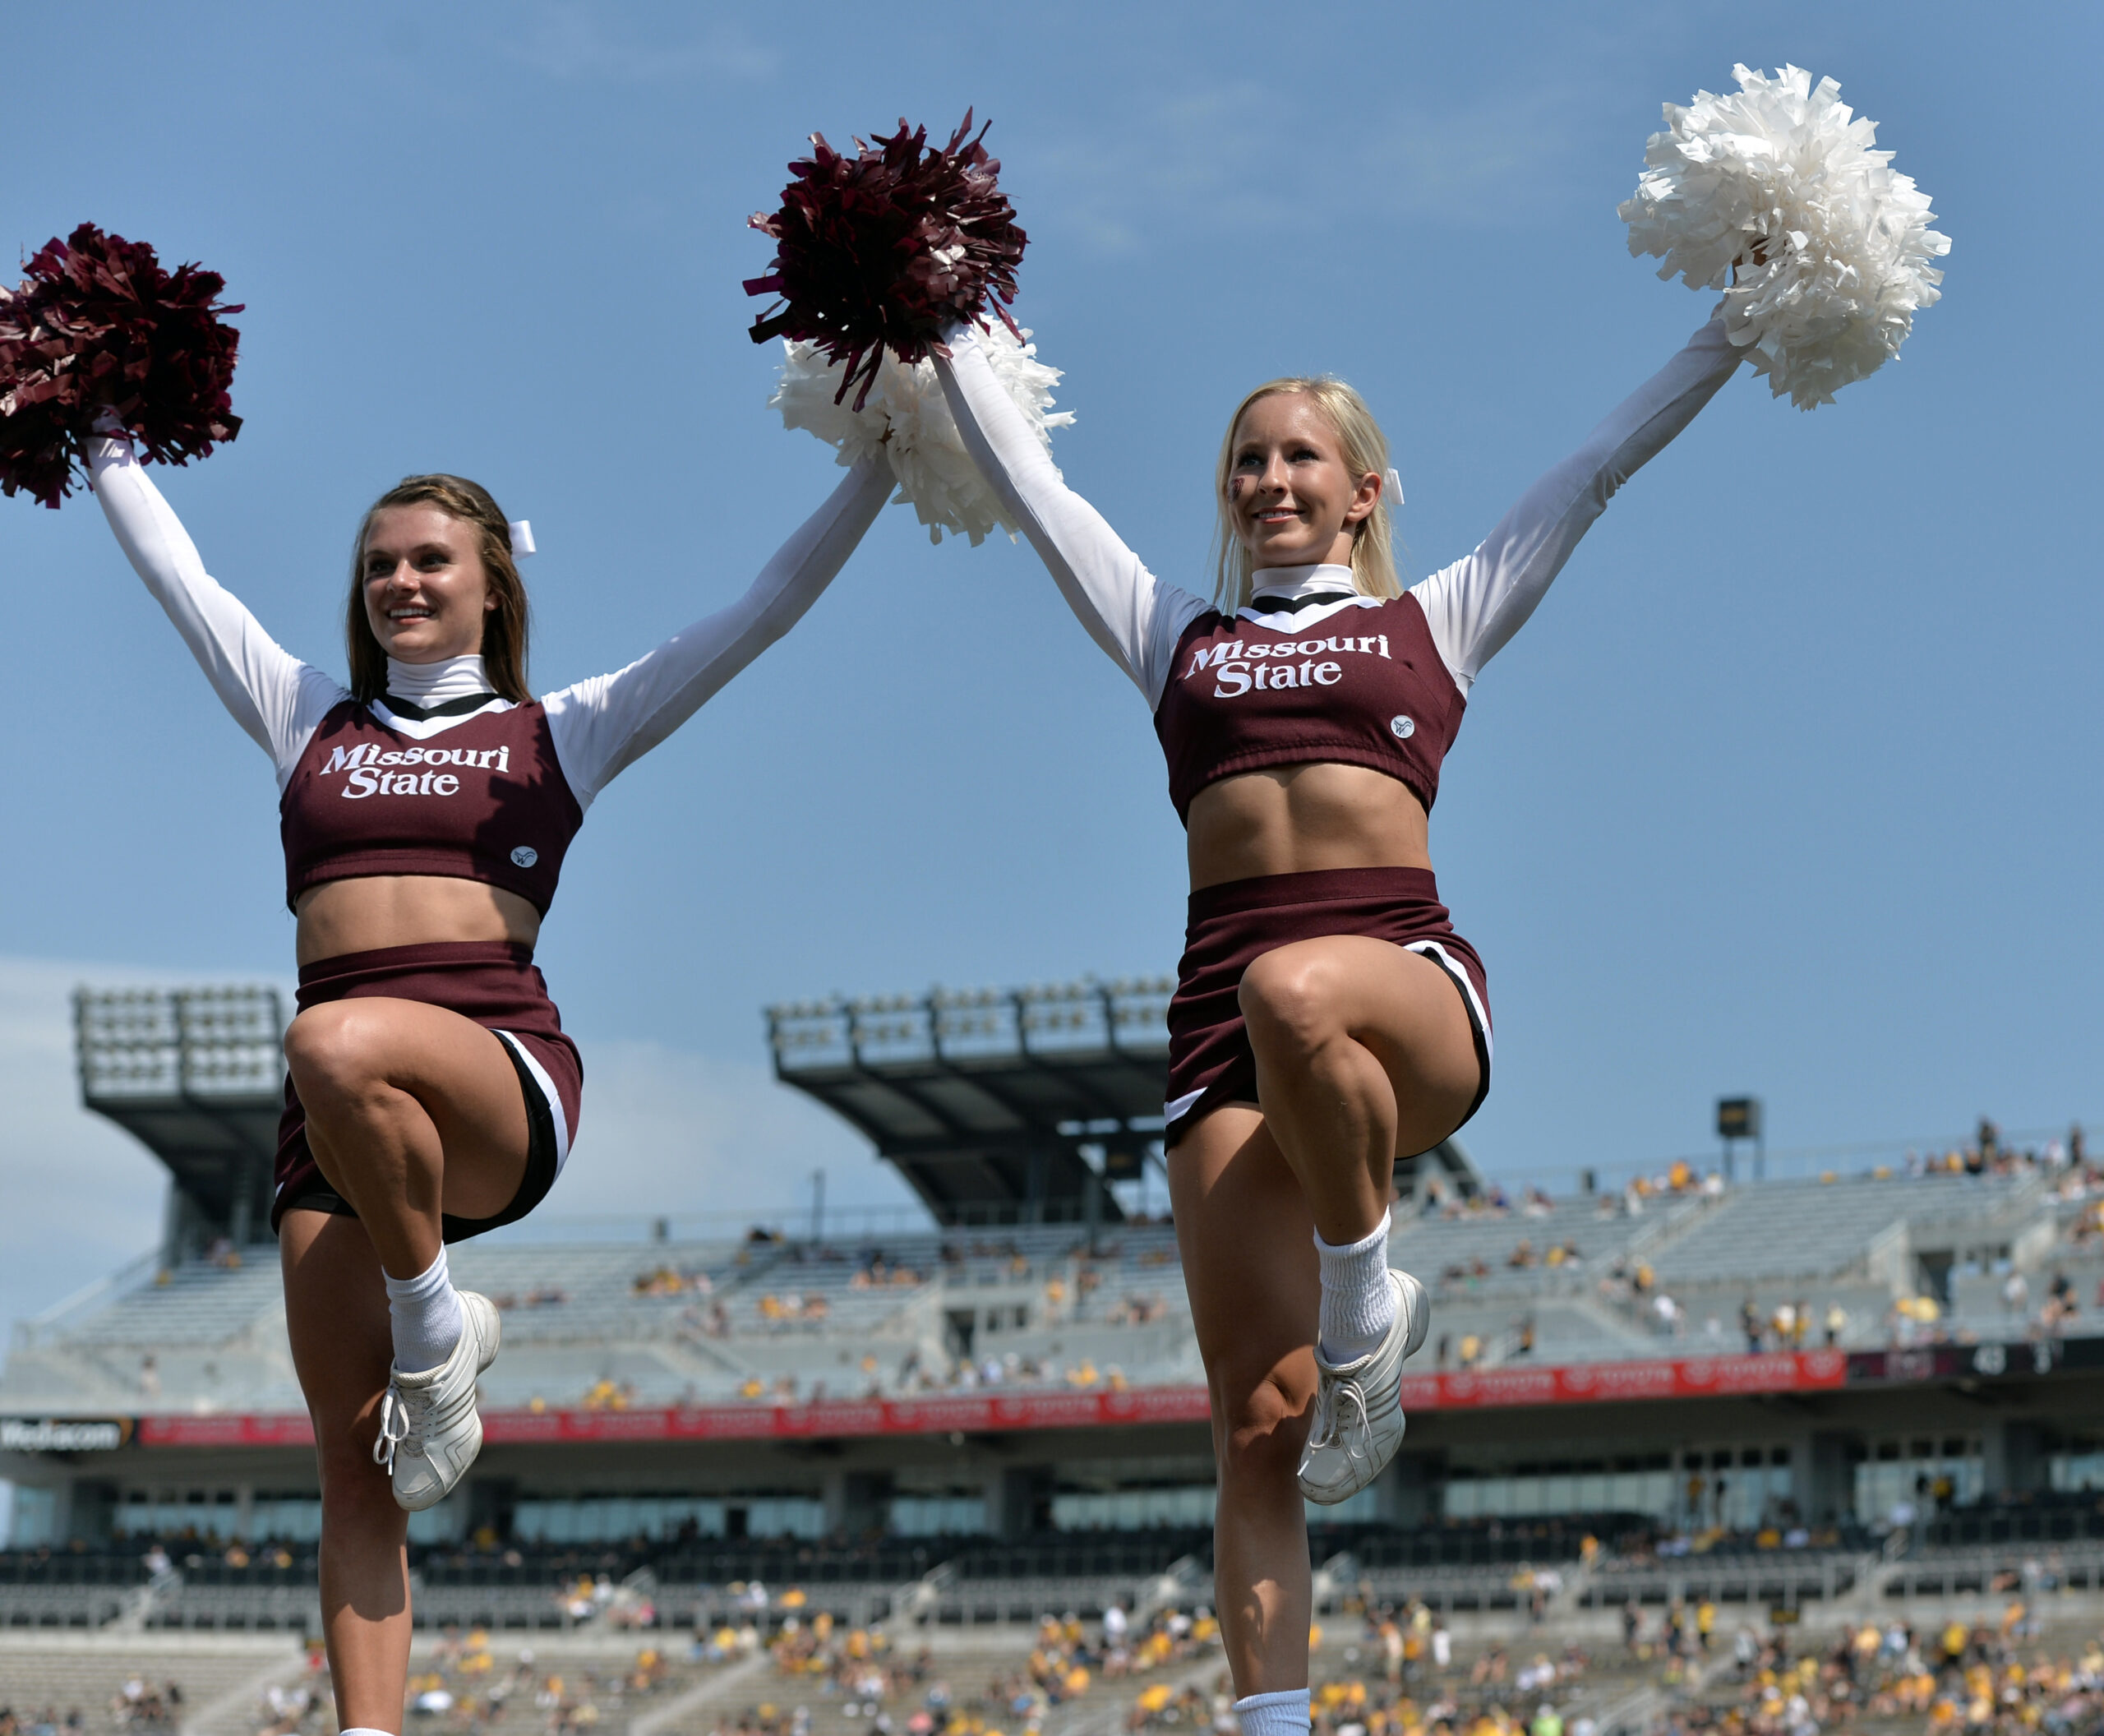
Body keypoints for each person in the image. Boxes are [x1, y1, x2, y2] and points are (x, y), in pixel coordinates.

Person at [935, 300, 1746, 1734]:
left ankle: (1370, 1295)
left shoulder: (1436, 617)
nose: (1270, 483)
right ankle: (1276, 1723)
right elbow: (1034, 491)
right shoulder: (1172, 637)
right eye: (1247, 462)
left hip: (1400, 993)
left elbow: (1601, 461)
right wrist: (933, 318)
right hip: (1219, 1049)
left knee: (1294, 984)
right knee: (1257, 1424)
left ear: (1362, 489)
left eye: (1301, 458)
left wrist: (1735, 319)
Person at [87, 424, 890, 1734]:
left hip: (496, 1079)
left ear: (493, 587)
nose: (401, 583)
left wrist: (886, 456)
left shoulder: (558, 729)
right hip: (340, 1128)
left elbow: (763, 610)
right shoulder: (306, 720)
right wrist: (101, 433)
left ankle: (435, 1315)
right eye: (379, 566)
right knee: (358, 1472)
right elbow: (182, 577)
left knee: (332, 1035)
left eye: (430, 561)